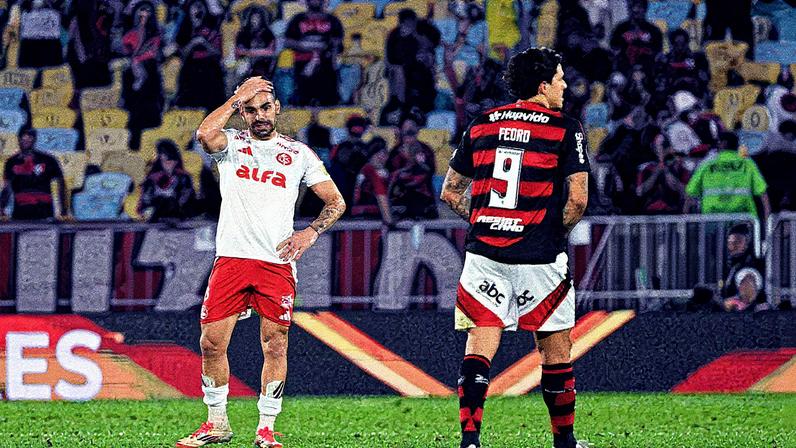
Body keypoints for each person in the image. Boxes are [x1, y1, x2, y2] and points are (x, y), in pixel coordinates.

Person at [177, 76, 345, 448]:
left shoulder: (298, 153)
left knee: (275, 344)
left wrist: (310, 233)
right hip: (232, 260)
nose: (259, 115)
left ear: (277, 108)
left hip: (276, 263)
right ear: (243, 113)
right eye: (250, 110)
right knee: (211, 343)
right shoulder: (232, 145)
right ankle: (217, 423)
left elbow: (336, 202)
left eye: (265, 107)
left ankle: (266, 428)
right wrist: (237, 96)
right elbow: (205, 132)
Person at [440, 47, 590, 448]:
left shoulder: (482, 123)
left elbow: (451, 192)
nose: (564, 87)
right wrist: (545, 230)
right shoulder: (564, 128)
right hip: (539, 256)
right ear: (542, 86)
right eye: (559, 79)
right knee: (556, 352)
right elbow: (578, 200)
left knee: (479, 348)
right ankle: (565, 442)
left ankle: (470, 441)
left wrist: (487, 219)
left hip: (485, 255)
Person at [685, 131, 770, 224]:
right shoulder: (747, 163)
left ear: (721, 144)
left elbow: (690, 193)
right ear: (737, 145)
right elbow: (763, 193)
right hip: (743, 219)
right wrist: (767, 222)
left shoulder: (707, 163)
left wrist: (683, 224)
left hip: (711, 219)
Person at [121, 0, 164, 149]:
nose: (144, 14)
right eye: (141, 10)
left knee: (149, 107)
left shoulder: (156, 34)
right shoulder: (130, 33)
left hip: (150, 71)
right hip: (132, 71)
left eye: (147, 11)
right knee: (134, 110)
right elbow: (126, 52)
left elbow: (156, 54)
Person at [284, 0, 343, 106]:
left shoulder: (332, 20)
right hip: (302, 63)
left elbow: (338, 42)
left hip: (326, 64)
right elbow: (288, 41)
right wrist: (305, 46)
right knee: (303, 99)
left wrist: (324, 46)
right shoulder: (298, 19)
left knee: (328, 100)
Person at [0, 128, 67, 221]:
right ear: (18, 140)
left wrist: (64, 209)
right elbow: (7, 187)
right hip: (21, 210)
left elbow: (61, 183)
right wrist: (1, 207)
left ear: (34, 139)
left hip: (44, 210)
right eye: (23, 138)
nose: (26, 141)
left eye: (29, 138)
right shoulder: (11, 162)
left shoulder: (48, 160)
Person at [385, 8, 441, 115]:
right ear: (402, 23)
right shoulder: (394, 35)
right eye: (407, 23)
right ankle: (401, 106)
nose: (410, 25)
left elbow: (433, 43)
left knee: (426, 61)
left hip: (419, 67)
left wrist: (417, 40)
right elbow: (390, 59)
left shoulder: (422, 30)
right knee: (399, 71)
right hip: (401, 68)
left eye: (412, 22)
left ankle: (424, 104)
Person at [387, 118, 438, 220]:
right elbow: (393, 176)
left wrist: (419, 163)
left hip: (422, 196)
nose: (409, 135)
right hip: (401, 196)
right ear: (400, 132)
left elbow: (429, 172)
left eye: (412, 131)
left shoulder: (425, 150)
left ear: (417, 131)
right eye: (406, 131)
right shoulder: (394, 153)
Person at [138, 140, 196, 221]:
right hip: (156, 221)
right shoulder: (152, 180)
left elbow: (188, 200)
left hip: (180, 220)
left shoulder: (184, 178)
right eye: (164, 160)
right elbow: (145, 202)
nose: (168, 163)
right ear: (159, 160)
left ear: (176, 161)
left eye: (170, 159)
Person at [636, 134, 690, 214]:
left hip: (672, 211)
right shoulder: (646, 168)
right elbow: (639, 192)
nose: (661, 150)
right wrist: (656, 173)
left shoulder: (680, 167)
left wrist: (667, 171)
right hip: (650, 212)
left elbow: (685, 192)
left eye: (663, 146)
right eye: (657, 147)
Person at [720, 223, 768, 312]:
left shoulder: (749, 266)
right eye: (730, 242)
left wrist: (722, 305)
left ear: (747, 244)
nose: (733, 246)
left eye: (738, 242)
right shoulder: (730, 264)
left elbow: (746, 299)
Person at [328, 115, 371, 212]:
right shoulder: (342, 146)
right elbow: (337, 161)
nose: (355, 138)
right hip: (342, 179)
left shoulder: (365, 147)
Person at [609, 0, 662, 78]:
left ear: (645, 9)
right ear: (628, 9)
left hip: (647, 72)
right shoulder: (620, 28)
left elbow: (658, 52)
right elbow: (613, 48)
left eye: (639, 7)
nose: (635, 10)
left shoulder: (653, 30)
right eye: (632, 7)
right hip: (624, 71)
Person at [351, 137, 394, 224]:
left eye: (384, 154)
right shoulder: (368, 170)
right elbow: (380, 193)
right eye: (377, 154)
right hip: (364, 219)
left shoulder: (385, 172)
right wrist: (389, 221)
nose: (381, 158)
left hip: (376, 215)